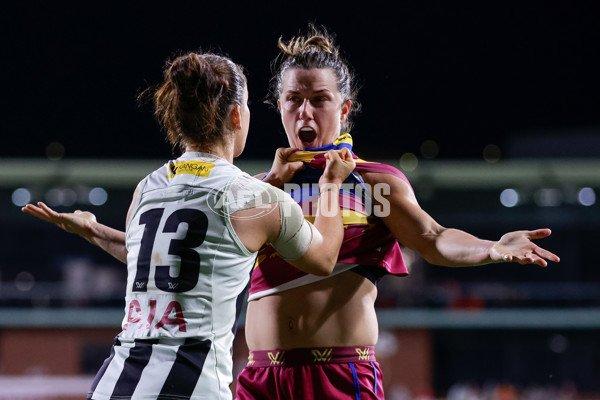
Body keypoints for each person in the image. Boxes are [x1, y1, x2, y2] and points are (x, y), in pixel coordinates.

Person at [233, 24, 561, 400]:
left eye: (319, 99)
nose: (305, 111)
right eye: (294, 99)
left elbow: (432, 238)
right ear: (279, 107)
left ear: (344, 109)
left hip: (339, 376)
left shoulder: (372, 182)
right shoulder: (258, 188)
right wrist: (270, 185)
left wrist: (492, 247)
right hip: (261, 377)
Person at [22, 50, 356, 400]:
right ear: (236, 116)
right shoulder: (256, 198)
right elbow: (323, 259)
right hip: (189, 386)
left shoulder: (148, 187)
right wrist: (330, 185)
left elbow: (156, 257)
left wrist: (93, 230)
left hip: (115, 383)